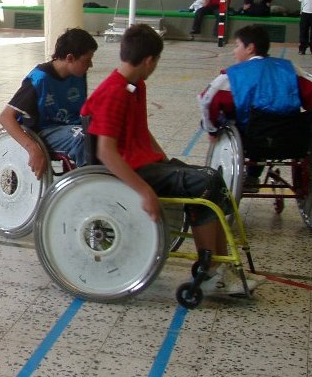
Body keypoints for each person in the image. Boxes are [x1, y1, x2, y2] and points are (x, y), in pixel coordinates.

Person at [81, 24, 265, 296]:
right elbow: (105, 152)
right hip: (127, 171)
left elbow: (142, 132)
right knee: (206, 182)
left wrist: (169, 165)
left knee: (210, 180)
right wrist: (144, 191)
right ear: (149, 60)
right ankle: (212, 271)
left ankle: (221, 268)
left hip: (146, 164)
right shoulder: (114, 92)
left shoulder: (134, 86)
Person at [198, 24, 312, 190]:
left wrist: (211, 130)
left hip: (252, 138)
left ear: (250, 48)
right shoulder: (290, 69)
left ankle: (251, 176)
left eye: (237, 45)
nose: (233, 51)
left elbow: (207, 100)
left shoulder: (233, 75)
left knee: (225, 118)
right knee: (263, 122)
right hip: (292, 137)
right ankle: (253, 175)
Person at [0, 28, 97, 177]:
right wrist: (33, 148)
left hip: (69, 126)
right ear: (70, 58)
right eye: (86, 60)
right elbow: (5, 117)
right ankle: (90, 183)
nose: (90, 65)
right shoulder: (40, 79)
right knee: (83, 138)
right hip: (44, 131)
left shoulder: (77, 74)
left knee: (107, 131)